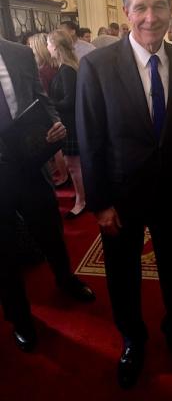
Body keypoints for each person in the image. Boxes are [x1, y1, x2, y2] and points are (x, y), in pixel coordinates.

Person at [76, 0, 172, 388]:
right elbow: (90, 140)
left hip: (168, 193)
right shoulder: (97, 67)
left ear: (170, 8)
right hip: (120, 198)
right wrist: (101, 203)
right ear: (127, 11)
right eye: (141, 7)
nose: (151, 17)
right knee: (122, 274)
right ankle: (132, 339)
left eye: (159, 5)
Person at [0, 38, 95, 352]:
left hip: (30, 163)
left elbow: (41, 100)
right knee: (4, 250)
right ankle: (19, 317)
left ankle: (65, 280)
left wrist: (54, 124)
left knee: (50, 230)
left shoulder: (19, 52)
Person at [47, 29, 86, 218]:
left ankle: (81, 201)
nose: (47, 47)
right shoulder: (66, 67)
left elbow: (70, 101)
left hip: (71, 124)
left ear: (55, 46)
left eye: (48, 43)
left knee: (74, 166)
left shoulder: (67, 70)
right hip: (70, 123)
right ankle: (82, 196)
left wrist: (47, 103)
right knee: (74, 166)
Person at [28, 33, 68, 187]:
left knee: (55, 147)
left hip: (50, 111)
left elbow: (43, 95)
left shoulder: (42, 69)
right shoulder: (54, 65)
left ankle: (63, 176)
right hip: (59, 109)